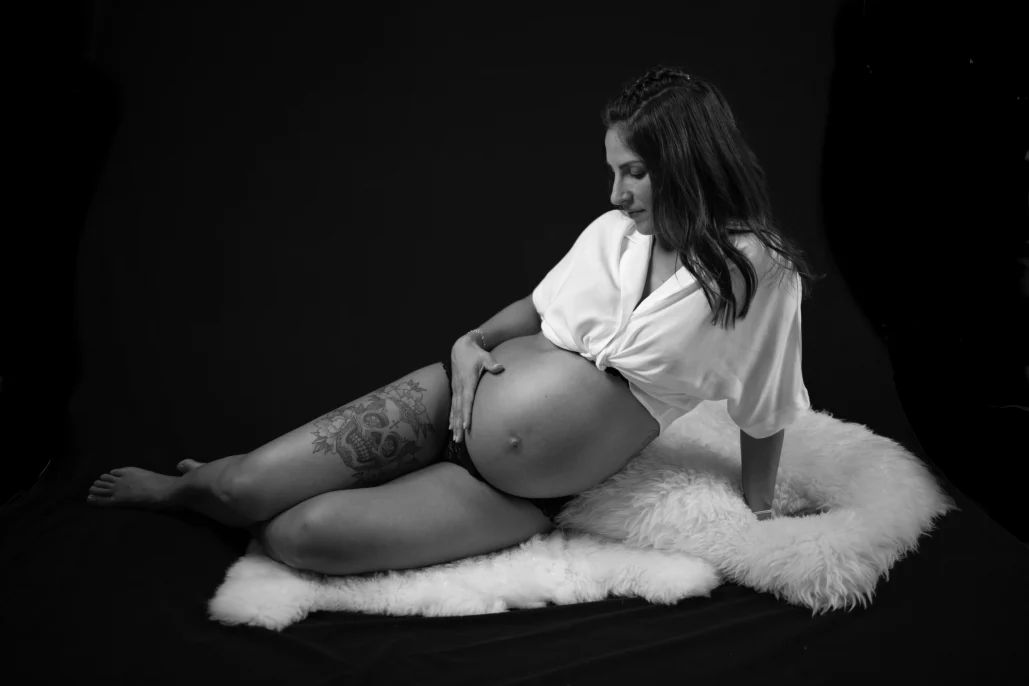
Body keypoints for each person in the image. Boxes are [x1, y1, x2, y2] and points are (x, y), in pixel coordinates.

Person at [85, 66, 822, 575]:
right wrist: (472, 342)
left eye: (633, 172)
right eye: (612, 170)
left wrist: (759, 515)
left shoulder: (757, 271)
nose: (615, 194)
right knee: (242, 489)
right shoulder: (612, 234)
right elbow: (538, 309)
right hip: (450, 401)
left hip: (520, 493)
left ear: (689, 162)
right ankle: (184, 489)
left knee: (298, 537)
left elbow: (765, 405)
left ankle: (231, 493)